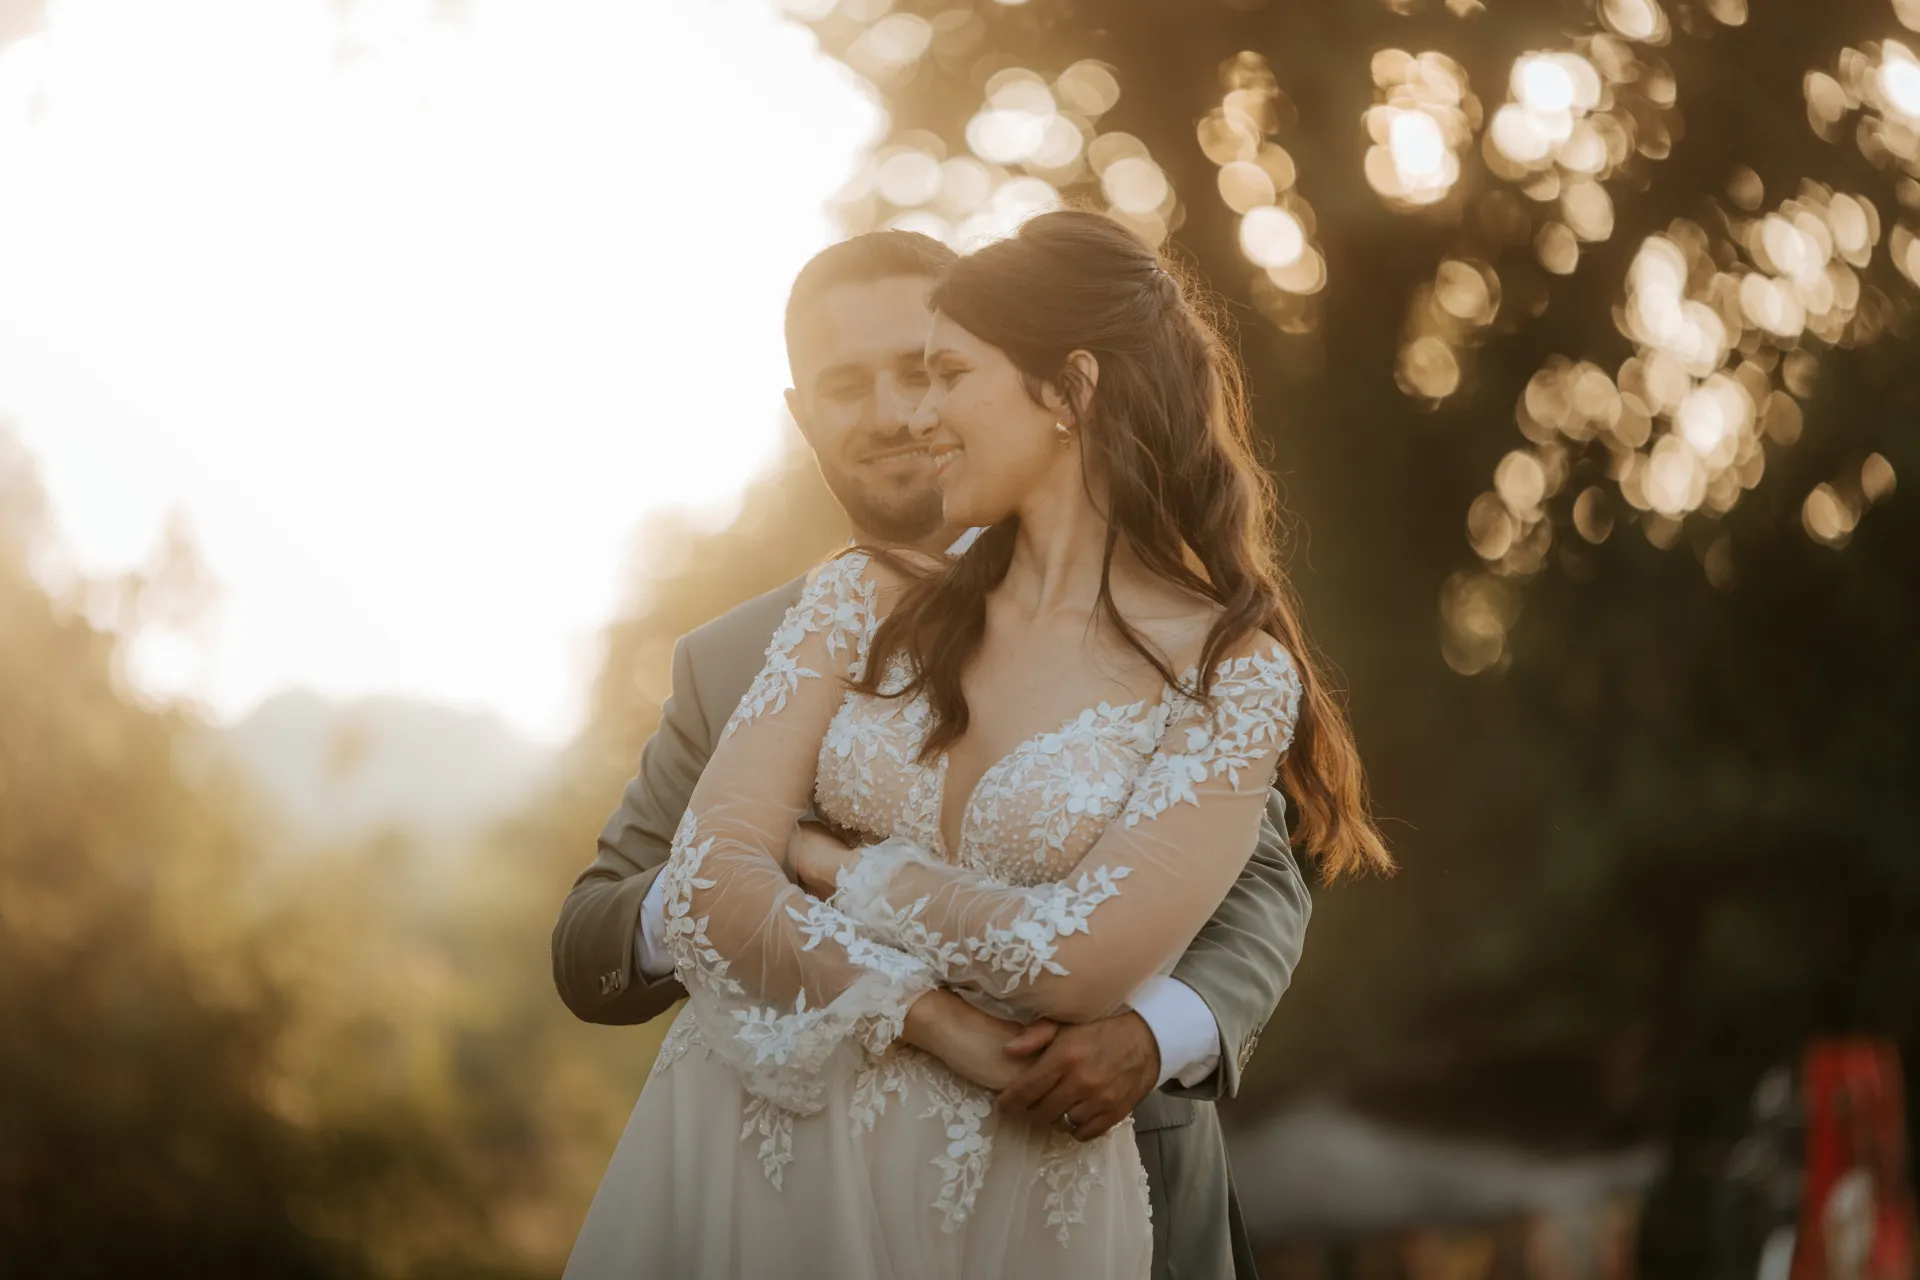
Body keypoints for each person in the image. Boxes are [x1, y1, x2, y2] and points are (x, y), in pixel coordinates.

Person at [556, 214, 1386, 1278]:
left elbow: (1257, 886)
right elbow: (604, 924)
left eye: (933, 367)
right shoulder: (754, 646)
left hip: (1078, 1172)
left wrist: (1154, 1031)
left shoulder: (1204, 661)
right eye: (852, 384)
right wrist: (753, 899)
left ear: (1056, 382)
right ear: (802, 415)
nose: (908, 410)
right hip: (781, 1180)